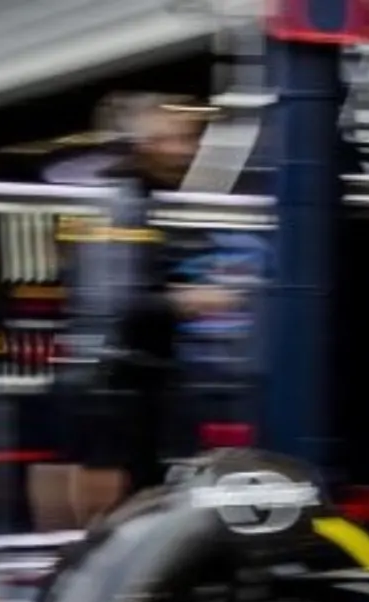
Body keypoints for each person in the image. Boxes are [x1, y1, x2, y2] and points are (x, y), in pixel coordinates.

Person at [59, 94, 237, 525]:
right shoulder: (117, 199)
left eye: (189, 139)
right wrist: (189, 299)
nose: (187, 150)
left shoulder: (155, 199)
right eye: (175, 140)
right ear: (145, 143)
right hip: (113, 380)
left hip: (145, 377)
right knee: (113, 511)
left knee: (146, 499)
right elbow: (109, 301)